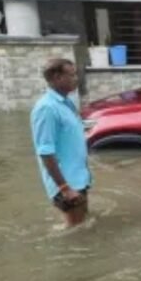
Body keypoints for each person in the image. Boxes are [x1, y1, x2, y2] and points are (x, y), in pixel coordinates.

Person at [31, 58, 92, 228]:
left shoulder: (66, 103)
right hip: (67, 184)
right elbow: (45, 152)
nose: (76, 79)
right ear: (57, 78)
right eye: (71, 75)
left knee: (84, 225)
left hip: (79, 178)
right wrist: (65, 188)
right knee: (76, 231)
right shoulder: (46, 108)